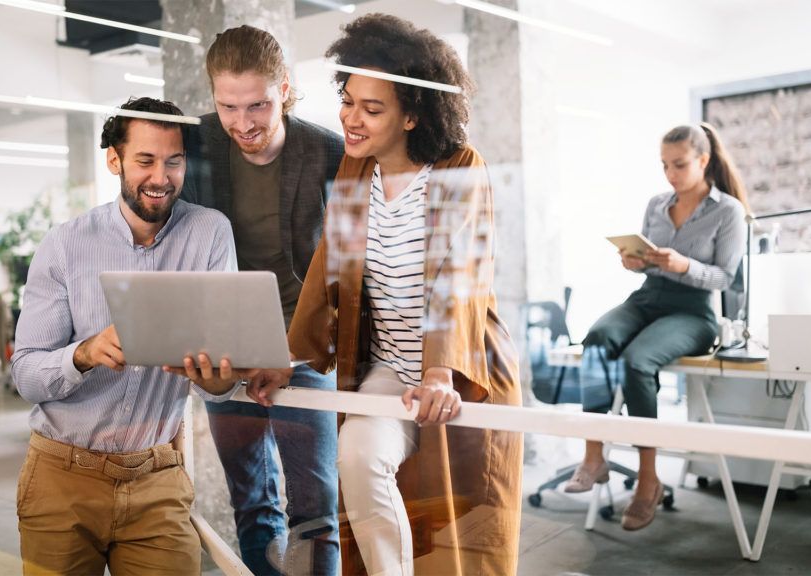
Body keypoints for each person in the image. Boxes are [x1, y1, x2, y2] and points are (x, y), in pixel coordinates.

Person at [248, 14, 523, 576]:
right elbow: (332, 269)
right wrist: (287, 358)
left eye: (372, 110)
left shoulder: (457, 166)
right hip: (390, 365)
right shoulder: (355, 171)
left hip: (463, 365)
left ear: (413, 113)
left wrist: (442, 371)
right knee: (358, 456)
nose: (351, 119)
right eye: (348, 101)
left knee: (466, 524)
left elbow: (458, 275)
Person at [11, 97, 249, 575]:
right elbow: (26, 374)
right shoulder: (65, 244)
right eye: (145, 160)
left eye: (173, 161)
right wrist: (84, 353)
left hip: (157, 480)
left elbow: (216, 382)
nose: (161, 177)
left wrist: (222, 376)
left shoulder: (210, 234)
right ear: (115, 160)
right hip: (63, 477)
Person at [181, 25, 344, 576]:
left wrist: (299, 351)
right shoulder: (195, 144)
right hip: (228, 340)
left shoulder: (327, 151)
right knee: (251, 501)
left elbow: (351, 270)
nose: (243, 123)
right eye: (229, 106)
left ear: (285, 89)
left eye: (258, 105)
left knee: (316, 509)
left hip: (304, 344)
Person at [563, 122, 749, 531]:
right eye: (664, 165)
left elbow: (726, 278)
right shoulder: (656, 204)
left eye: (679, 165)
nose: (670, 174)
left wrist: (686, 265)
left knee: (636, 361)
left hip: (693, 312)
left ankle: (649, 479)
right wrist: (635, 260)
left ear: (703, 160)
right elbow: (644, 260)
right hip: (648, 298)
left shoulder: (728, 211)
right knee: (596, 339)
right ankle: (594, 455)